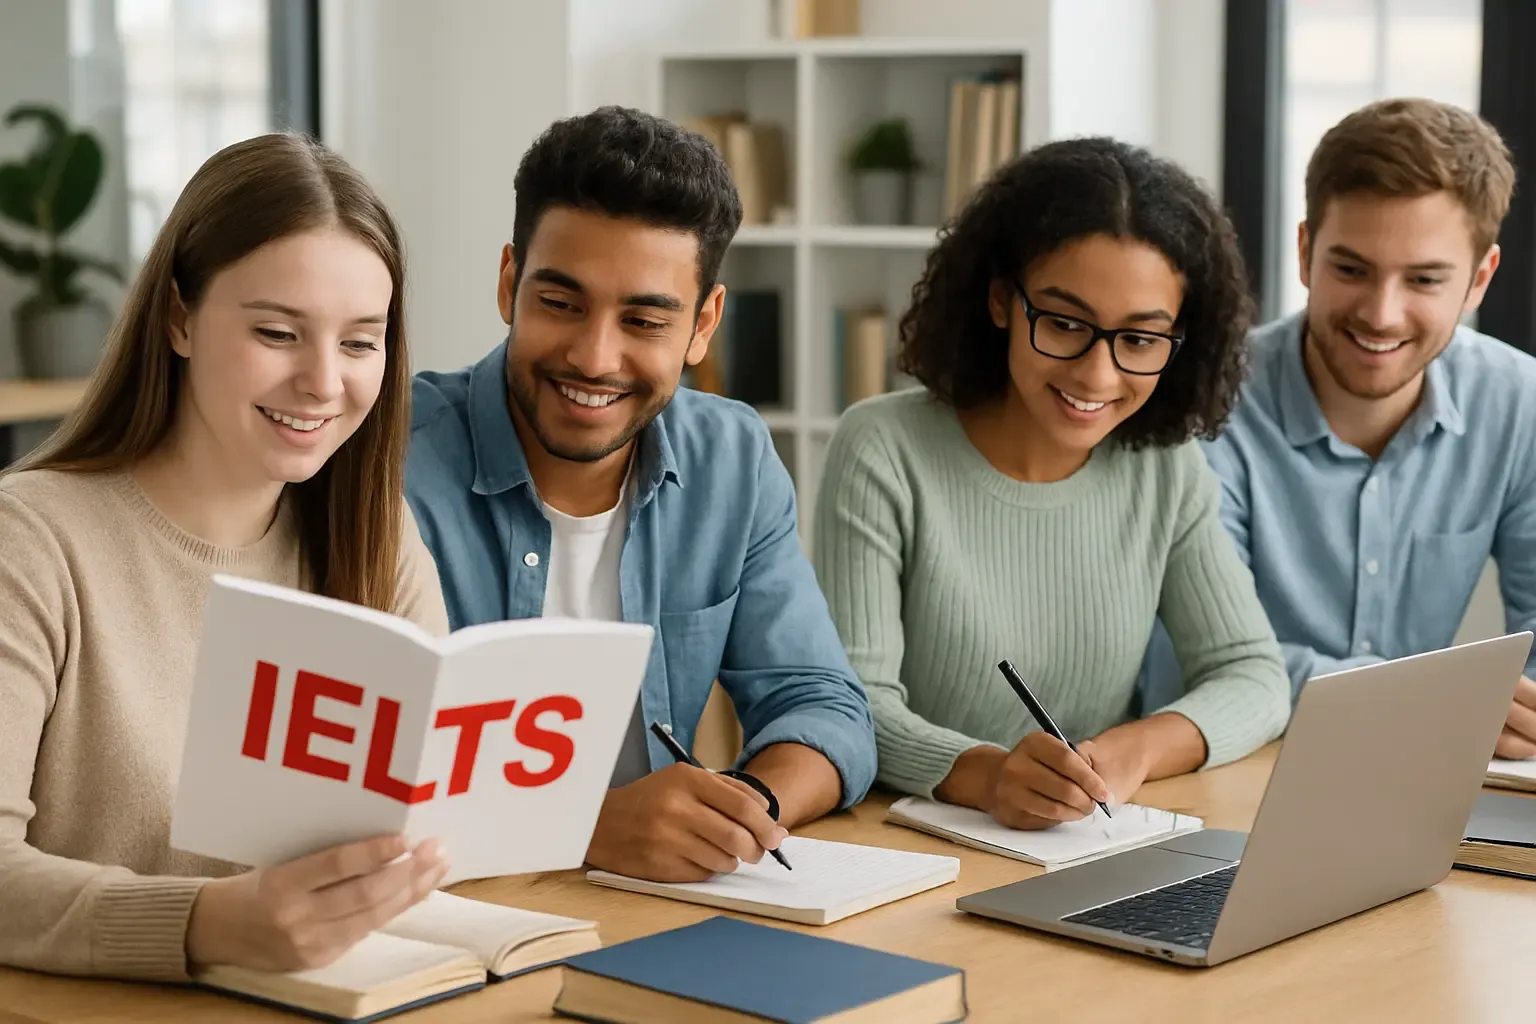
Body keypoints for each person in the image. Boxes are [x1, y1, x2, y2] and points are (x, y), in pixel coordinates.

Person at [0, 133, 453, 981]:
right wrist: (203, 925)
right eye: (279, 333)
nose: (325, 382)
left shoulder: (375, 537)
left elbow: (427, 825)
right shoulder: (29, 543)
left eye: (361, 343)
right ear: (179, 318)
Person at [405, 106, 876, 882]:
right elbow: (346, 775)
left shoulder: (733, 458)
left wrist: (737, 810)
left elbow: (823, 705)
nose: (594, 357)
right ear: (507, 283)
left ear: (703, 325)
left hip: (655, 905)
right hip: (452, 910)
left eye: (644, 319)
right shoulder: (391, 460)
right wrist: (578, 827)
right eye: (560, 303)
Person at [811, 137, 1291, 830]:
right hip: (907, 844)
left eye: (1139, 339)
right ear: (1003, 300)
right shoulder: (883, 449)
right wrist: (988, 775)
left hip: (1080, 840)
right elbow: (854, 704)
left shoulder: (1166, 467)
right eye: (1064, 324)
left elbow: (1254, 674)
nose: (1097, 376)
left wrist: (1134, 750)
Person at [1141, 98, 1536, 758]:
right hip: (1224, 771)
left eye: (1425, 279)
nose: (1382, 314)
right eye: (1351, 269)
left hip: (1414, 772)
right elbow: (1214, 661)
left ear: (1479, 280)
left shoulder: (1519, 402)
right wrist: (1446, 702)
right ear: (1305, 251)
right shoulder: (1207, 400)